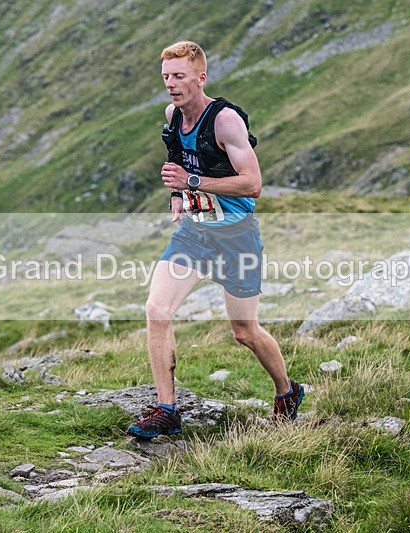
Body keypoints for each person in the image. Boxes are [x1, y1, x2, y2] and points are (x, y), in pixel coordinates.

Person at [126, 41, 304, 439]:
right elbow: (177, 159)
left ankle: (287, 393)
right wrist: (178, 195)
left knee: (244, 332)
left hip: (236, 238)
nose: (171, 85)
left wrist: (191, 183)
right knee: (157, 310)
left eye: (180, 77)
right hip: (194, 234)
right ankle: (167, 410)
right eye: (166, 77)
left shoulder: (226, 121)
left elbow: (253, 185)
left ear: (201, 77)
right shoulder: (173, 115)